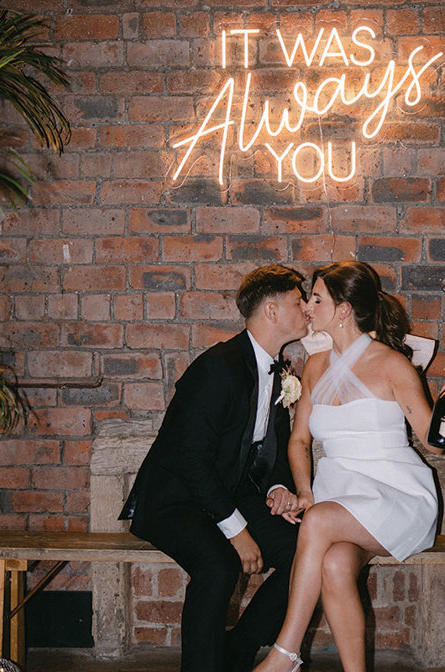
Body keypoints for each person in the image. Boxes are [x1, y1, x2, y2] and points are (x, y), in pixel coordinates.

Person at [253, 261, 445, 672]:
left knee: (317, 524)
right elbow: (299, 441)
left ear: (343, 310)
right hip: (340, 500)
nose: (308, 307)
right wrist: (305, 491)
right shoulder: (315, 367)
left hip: (396, 495)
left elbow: (436, 446)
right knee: (334, 564)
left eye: (316, 299)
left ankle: (284, 655)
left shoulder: (392, 365)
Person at [119, 264, 311, 672]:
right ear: (272, 312)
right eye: (299, 302)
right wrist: (238, 531)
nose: (307, 309)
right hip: (176, 498)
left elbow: (271, 447)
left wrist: (278, 486)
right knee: (219, 564)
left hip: (230, 491)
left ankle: (238, 649)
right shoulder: (217, 368)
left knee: (305, 551)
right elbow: (191, 460)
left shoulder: (280, 373)